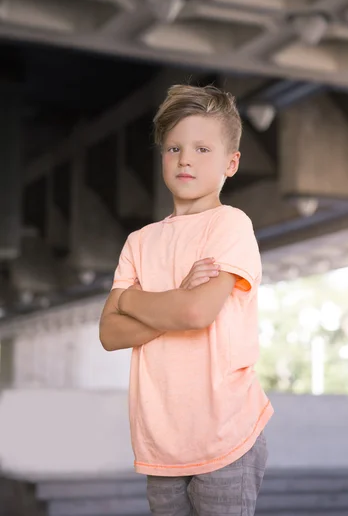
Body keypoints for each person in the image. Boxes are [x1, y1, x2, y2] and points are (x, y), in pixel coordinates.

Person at [99, 84, 274, 515]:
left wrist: (130, 300)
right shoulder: (139, 242)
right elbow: (109, 332)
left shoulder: (230, 225)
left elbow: (197, 313)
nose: (185, 159)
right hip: (160, 441)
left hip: (225, 434)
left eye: (201, 148)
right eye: (173, 148)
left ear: (230, 163)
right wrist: (176, 297)